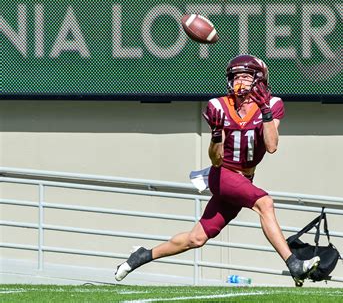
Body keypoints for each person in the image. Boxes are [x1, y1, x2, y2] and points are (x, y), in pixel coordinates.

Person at [114, 54, 319, 286]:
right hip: (222, 175)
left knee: (196, 238)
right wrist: (215, 135)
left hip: (244, 179)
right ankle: (293, 263)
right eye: (236, 77)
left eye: (246, 76)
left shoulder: (272, 104)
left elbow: (271, 146)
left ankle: (141, 255)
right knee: (265, 203)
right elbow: (215, 158)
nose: (240, 81)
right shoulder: (218, 106)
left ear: (259, 80)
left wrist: (265, 111)